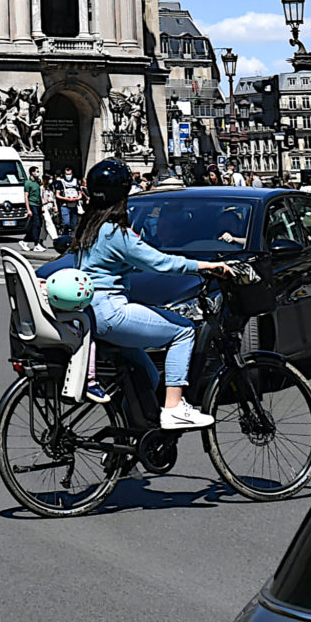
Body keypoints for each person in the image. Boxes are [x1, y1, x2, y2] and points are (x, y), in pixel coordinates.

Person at [72, 158, 228, 431]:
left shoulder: (89, 227)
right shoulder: (116, 232)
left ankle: (128, 435)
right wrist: (206, 265)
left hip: (90, 314)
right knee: (184, 331)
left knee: (147, 374)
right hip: (112, 313)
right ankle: (175, 408)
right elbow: (161, 263)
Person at [23, 166, 47, 251]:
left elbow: (40, 194)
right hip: (32, 204)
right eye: (37, 171)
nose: (38, 173)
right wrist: (28, 209)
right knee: (36, 224)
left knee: (36, 225)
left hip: (38, 205)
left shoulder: (38, 182)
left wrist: (42, 205)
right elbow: (26, 196)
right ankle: (36, 244)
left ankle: (25, 241)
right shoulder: (28, 183)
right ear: (32, 172)